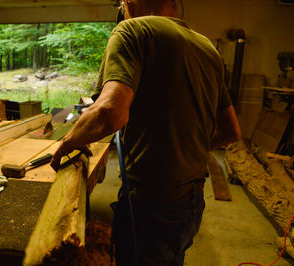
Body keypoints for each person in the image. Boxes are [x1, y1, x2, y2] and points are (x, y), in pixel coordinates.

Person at [50, 0, 241, 265]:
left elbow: (109, 112)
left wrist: (68, 141)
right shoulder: (207, 47)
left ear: (129, 2)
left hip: (152, 203)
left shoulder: (132, 31)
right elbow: (231, 130)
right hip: (192, 202)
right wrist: (186, 150)